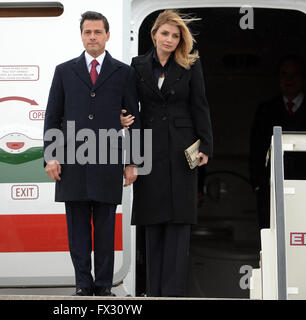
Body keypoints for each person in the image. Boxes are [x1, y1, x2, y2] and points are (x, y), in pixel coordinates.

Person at [43, 11, 140, 296]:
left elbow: (133, 119)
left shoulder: (124, 73)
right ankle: (83, 286)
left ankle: (104, 287)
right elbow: (52, 116)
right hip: (72, 164)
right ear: (82, 35)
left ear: (107, 35)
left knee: (107, 231)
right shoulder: (64, 71)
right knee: (78, 232)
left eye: (98, 32)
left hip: (109, 162)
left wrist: (133, 162)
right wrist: (50, 156)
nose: (93, 37)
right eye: (88, 32)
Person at [122, 10, 213, 297]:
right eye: (165, 33)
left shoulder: (190, 64)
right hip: (149, 152)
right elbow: (132, 112)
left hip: (181, 151)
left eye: (176, 35)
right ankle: (154, 292)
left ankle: (172, 293)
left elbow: (201, 106)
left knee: (178, 225)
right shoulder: (137, 66)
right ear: (154, 34)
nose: (170, 39)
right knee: (153, 223)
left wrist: (206, 146)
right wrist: (132, 159)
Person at [249, 55, 306, 230]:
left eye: (294, 74)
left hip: (305, 186)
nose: (289, 80)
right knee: (272, 239)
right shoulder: (266, 109)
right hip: (272, 189)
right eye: (284, 74)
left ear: (303, 78)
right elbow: (256, 149)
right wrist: (258, 184)